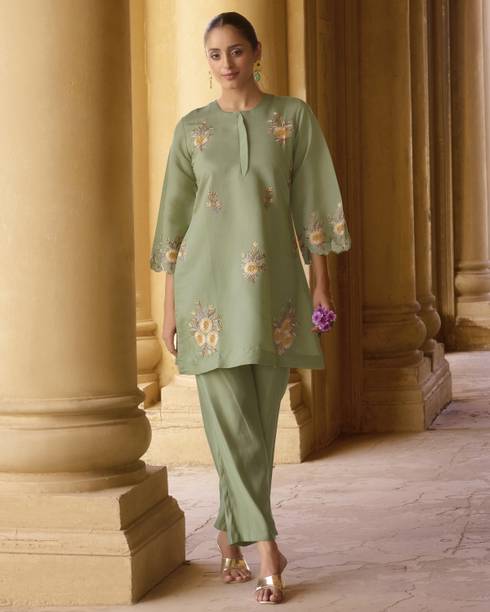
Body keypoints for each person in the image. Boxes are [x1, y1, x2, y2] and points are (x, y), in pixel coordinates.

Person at [149, 11, 351, 605]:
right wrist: (170, 305)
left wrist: (321, 283)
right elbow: (174, 222)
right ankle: (267, 548)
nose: (227, 64)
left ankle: (225, 531)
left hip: (273, 293)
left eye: (236, 51)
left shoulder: (292, 119)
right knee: (229, 424)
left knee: (258, 427)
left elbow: (313, 202)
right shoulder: (192, 130)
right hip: (206, 295)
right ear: (207, 61)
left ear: (256, 52)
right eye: (215, 54)